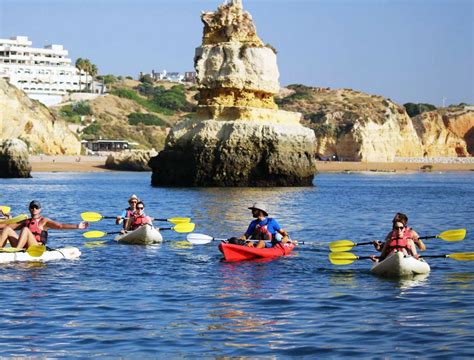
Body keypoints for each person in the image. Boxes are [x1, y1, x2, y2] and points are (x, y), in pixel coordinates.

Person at [0, 200, 88, 250]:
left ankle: (16, 251)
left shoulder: (44, 221)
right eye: (32, 207)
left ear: (40, 209)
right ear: (29, 209)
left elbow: (60, 226)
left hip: (36, 247)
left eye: (36, 207)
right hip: (24, 246)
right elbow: (6, 226)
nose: (34, 209)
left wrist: (77, 226)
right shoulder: (26, 221)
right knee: (7, 229)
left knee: (25, 230)